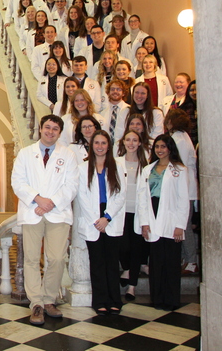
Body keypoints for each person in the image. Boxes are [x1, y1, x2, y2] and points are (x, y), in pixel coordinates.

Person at [11, 114, 79, 326]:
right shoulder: (25, 153)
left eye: (55, 129)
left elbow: (72, 185)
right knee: (31, 259)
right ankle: (37, 303)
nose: (50, 132)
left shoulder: (67, 155)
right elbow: (18, 182)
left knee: (57, 258)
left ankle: (49, 299)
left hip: (58, 213)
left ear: (59, 132)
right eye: (47, 127)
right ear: (40, 128)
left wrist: (51, 203)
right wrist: (38, 200)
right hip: (32, 212)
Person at [136, 135, 190, 311]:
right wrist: (144, 223)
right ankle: (157, 299)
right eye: (157, 147)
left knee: (171, 262)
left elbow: (183, 199)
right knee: (156, 262)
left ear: (170, 148)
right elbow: (142, 199)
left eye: (163, 146)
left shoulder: (179, 170)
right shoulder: (148, 170)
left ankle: (172, 299)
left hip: (171, 219)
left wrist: (180, 225)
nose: (160, 150)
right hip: (152, 216)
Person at [77, 130, 126, 315]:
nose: (99, 146)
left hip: (110, 217)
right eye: (96, 143)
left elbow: (120, 195)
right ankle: (99, 300)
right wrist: (97, 221)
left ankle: (114, 299)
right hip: (92, 219)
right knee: (96, 263)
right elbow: (82, 196)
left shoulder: (117, 167)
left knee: (112, 263)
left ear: (108, 146)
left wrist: (107, 217)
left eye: (103, 143)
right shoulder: (82, 168)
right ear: (92, 146)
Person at [164, 109, 199, 274]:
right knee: (184, 226)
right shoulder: (184, 137)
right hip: (187, 187)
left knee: (185, 227)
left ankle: (192, 261)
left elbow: (177, 165)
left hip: (184, 188)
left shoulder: (178, 139)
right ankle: (187, 259)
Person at [117, 129, 150, 300]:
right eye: (128, 140)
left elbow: (146, 194)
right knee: (124, 247)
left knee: (137, 250)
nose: (131, 143)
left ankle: (132, 287)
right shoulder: (117, 162)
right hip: (121, 212)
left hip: (138, 212)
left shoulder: (145, 166)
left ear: (139, 143)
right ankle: (127, 270)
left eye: (134, 140)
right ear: (123, 142)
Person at [101, 80, 131, 146]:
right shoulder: (102, 113)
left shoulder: (130, 111)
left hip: (125, 146)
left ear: (123, 93)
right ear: (108, 93)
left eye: (118, 89)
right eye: (112, 89)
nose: (115, 91)